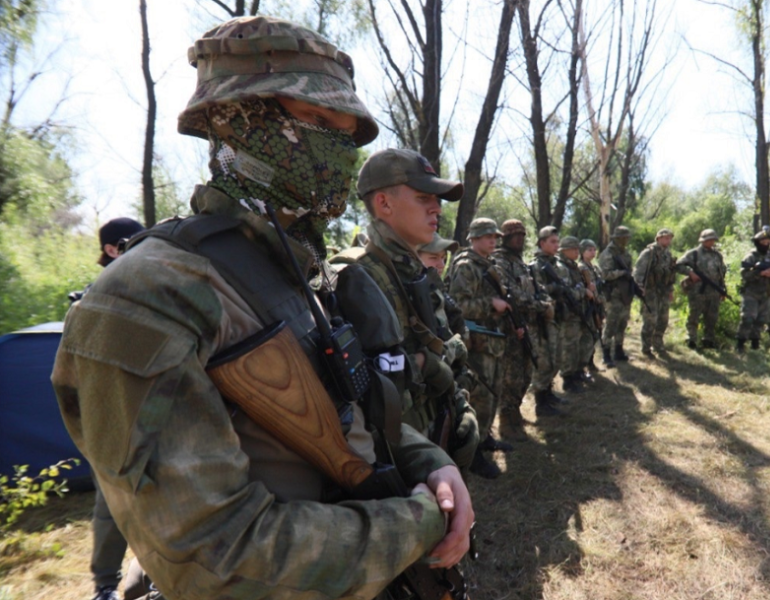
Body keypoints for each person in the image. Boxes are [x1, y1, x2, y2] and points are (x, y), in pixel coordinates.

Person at [52, 17, 473, 600]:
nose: (339, 152)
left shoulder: (298, 272)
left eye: (347, 135)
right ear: (237, 119)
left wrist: (431, 465)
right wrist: (418, 523)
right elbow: (217, 561)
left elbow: (356, 412)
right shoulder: (146, 297)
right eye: (318, 122)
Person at [331, 149, 480, 475]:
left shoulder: (413, 271)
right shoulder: (356, 275)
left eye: (437, 199)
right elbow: (363, 392)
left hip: (432, 437)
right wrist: (426, 367)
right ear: (384, 203)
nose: (437, 208)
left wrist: (457, 403)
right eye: (424, 197)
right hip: (398, 461)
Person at [72, 217, 146, 600]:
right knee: (112, 503)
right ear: (111, 250)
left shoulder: (147, 286)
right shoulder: (96, 296)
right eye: (131, 242)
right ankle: (104, 585)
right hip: (112, 418)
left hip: (151, 411)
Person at [447, 218, 517, 479]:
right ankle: (472, 455)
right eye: (487, 236)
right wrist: (491, 303)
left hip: (493, 342)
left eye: (495, 236)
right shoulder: (466, 266)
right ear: (473, 238)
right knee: (478, 400)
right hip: (476, 345)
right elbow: (457, 306)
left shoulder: (489, 265)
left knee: (492, 394)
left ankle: (485, 437)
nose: (493, 240)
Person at [491, 219, 552, 442]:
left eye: (522, 235)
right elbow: (512, 294)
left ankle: (515, 413)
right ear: (505, 238)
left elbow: (538, 288)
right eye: (514, 235)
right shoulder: (499, 262)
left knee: (526, 373)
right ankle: (506, 422)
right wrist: (541, 306)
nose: (519, 238)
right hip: (509, 328)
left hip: (527, 326)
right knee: (511, 377)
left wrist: (545, 302)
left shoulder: (521, 263)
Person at [528, 226, 568, 416]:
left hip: (558, 315)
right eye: (552, 242)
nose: (556, 245)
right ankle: (540, 401)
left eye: (557, 242)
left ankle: (548, 392)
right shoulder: (535, 265)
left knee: (557, 358)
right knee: (545, 360)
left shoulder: (558, 264)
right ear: (542, 243)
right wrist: (555, 287)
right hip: (544, 318)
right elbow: (538, 289)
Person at [677, 229, 728, 349]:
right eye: (708, 239)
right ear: (702, 240)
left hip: (714, 291)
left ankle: (708, 340)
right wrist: (690, 273)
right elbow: (678, 265)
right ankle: (691, 339)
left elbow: (721, 273)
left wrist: (722, 289)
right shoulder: (693, 253)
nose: (711, 242)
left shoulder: (717, 255)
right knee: (694, 315)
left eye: (713, 239)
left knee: (712, 317)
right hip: (697, 290)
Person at [736, 230, 770, 352]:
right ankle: (740, 343)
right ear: (757, 242)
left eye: (768, 242)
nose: (766, 244)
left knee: (761, 320)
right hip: (751, 293)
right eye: (763, 241)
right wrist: (760, 273)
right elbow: (744, 274)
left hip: (766, 294)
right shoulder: (750, 257)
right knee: (748, 318)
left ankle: (755, 343)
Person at [633, 228, 677, 357]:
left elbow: (670, 274)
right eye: (665, 238)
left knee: (663, 319)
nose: (668, 240)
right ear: (658, 238)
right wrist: (640, 288)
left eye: (670, 238)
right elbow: (638, 271)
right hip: (650, 291)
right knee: (650, 319)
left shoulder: (668, 254)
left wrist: (670, 290)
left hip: (663, 291)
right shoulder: (649, 252)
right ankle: (646, 347)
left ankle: (658, 344)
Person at [556, 235, 591, 393]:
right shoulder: (561, 267)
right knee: (569, 347)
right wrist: (583, 291)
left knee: (577, 345)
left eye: (578, 249)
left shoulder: (573, 266)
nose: (577, 252)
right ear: (564, 250)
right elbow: (566, 291)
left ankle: (576, 373)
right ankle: (567, 379)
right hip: (568, 314)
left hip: (577, 312)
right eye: (573, 249)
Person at [597, 225, 635, 365]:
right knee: (611, 324)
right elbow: (605, 274)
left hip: (625, 294)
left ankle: (619, 350)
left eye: (627, 238)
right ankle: (606, 354)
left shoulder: (625, 253)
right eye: (624, 238)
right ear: (618, 238)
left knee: (622, 323)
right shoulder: (608, 254)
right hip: (612, 295)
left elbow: (630, 271)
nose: (626, 240)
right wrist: (621, 273)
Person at [577, 239, 604, 378]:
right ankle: (581, 367)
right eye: (589, 250)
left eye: (594, 250)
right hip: (588, 307)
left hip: (597, 305)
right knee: (588, 337)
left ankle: (590, 362)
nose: (593, 252)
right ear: (582, 252)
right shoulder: (581, 268)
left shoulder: (594, 267)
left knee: (595, 334)